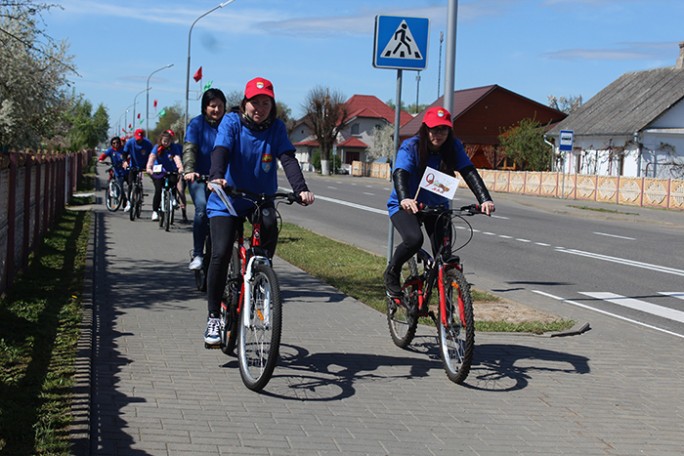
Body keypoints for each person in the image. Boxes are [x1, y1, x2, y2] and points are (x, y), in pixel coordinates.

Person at [203, 77, 315, 346]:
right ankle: (213, 318)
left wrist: (301, 188)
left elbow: (287, 158)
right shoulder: (231, 122)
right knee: (219, 252)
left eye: (266, 103)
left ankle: (261, 277)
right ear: (245, 103)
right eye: (255, 102)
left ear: (272, 106)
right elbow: (221, 150)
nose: (260, 108)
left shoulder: (276, 128)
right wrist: (217, 176)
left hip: (259, 198)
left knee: (268, 226)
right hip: (227, 198)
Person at [384, 106, 495, 297]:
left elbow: (468, 171)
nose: (438, 134)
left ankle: (447, 308)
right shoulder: (411, 146)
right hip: (407, 205)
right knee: (414, 240)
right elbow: (400, 172)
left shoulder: (453, 147)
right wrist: (405, 198)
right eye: (434, 129)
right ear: (425, 128)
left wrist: (484, 199)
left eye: (443, 129)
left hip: (437, 207)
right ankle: (392, 272)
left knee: (444, 256)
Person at [182, 88, 227, 270]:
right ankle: (198, 254)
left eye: (220, 106)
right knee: (201, 209)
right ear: (205, 107)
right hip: (199, 178)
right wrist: (189, 170)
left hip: (222, 180)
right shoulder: (196, 124)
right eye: (212, 106)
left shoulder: (229, 124)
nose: (216, 110)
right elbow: (189, 150)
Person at [146, 131, 184, 221]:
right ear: (161, 140)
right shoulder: (157, 148)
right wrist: (149, 168)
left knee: (173, 181)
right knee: (158, 190)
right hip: (158, 171)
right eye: (164, 141)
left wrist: (180, 168)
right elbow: (152, 158)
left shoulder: (173, 148)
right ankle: (155, 211)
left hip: (170, 170)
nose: (166, 143)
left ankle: (173, 198)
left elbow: (177, 158)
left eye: (168, 141)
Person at [122, 128, 154, 208]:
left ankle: (141, 196)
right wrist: (125, 162)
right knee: (130, 183)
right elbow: (124, 153)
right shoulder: (130, 142)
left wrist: (150, 166)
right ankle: (129, 202)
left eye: (140, 139)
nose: (138, 141)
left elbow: (152, 155)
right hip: (133, 165)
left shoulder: (148, 144)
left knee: (154, 180)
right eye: (137, 139)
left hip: (145, 165)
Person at [98, 136, 129, 210]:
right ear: (112, 144)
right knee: (120, 187)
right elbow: (103, 156)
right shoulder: (111, 150)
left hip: (126, 171)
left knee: (131, 185)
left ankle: (130, 200)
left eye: (117, 142)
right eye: (114, 143)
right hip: (117, 171)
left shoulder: (124, 149)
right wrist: (101, 160)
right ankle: (122, 199)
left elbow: (129, 156)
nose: (116, 144)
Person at [167, 129, 189, 223]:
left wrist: (182, 169)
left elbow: (183, 158)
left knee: (180, 190)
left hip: (177, 172)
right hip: (165, 172)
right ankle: (163, 207)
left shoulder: (178, 147)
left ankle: (184, 212)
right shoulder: (161, 147)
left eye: (171, 138)